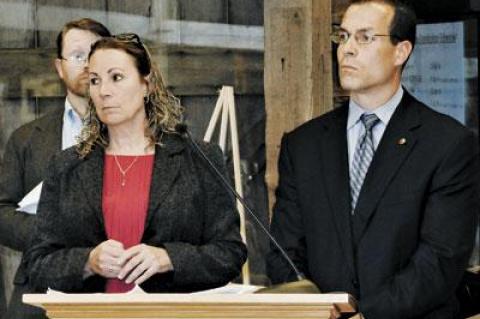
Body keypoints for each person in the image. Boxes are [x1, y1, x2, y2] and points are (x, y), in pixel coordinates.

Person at [267, 1, 479, 318]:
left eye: (365, 37)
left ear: (401, 52)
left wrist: (365, 315)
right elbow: (284, 250)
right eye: (343, 36)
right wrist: (315, 311)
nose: (347, 50)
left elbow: (440, 259)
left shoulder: (448, 144)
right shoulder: (303, 145)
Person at [25, 34, 246, 301]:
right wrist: (88, 261)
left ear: (147, 84)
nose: (104, 90)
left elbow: (230, 253)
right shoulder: (66, 166)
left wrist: (168, 258)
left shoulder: (198, 158)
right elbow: (37, 263)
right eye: (95, 80)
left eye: (116, 77)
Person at [0, 18, 111, 319]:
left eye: (96, 54)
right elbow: (2, 211)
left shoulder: (135, 133)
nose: (87, 64)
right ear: (59, 67)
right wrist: (57, 233)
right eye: (77, 56)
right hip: (38, 292)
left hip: (115, 292)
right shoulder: (26, 138)